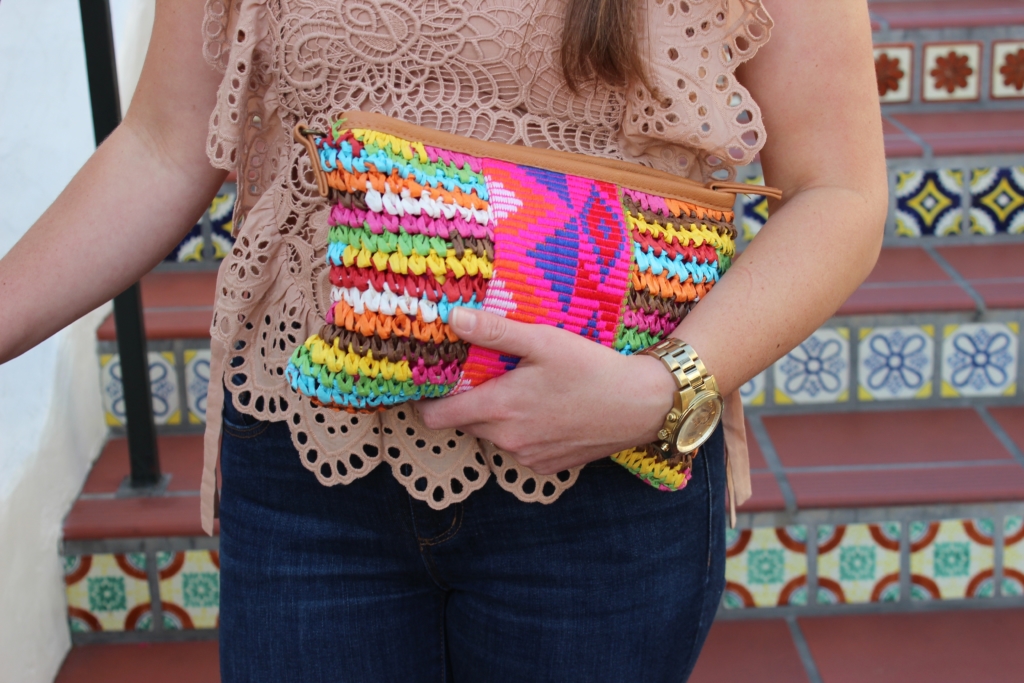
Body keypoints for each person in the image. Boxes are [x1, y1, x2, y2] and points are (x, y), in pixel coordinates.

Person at [0, 0, 887, 680]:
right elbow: (163, 145)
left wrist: (663, 388)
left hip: (601, 486)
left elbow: (839, 193)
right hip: (310, 467)